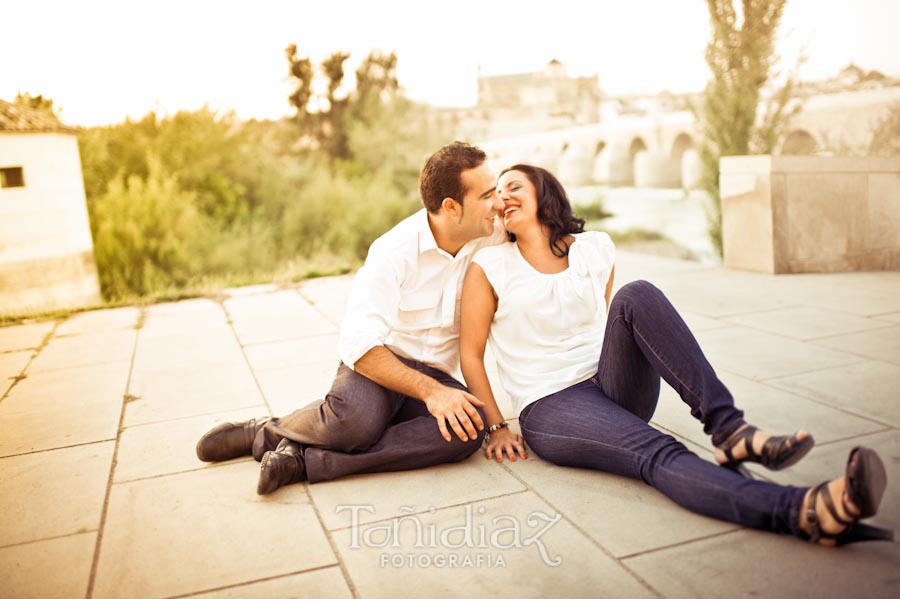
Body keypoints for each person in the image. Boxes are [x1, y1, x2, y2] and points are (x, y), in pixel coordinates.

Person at [459, 163, 892, 546]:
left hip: (610, 383)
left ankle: (731, 429)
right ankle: (805, 510)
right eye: (496, 192)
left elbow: (612, 323)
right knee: (659, 452)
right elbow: (471, 354)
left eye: (512, 185)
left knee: (636, 295)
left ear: (543, 193)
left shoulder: (594, 248)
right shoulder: (491, 266)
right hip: (553, 403)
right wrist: (497, 426)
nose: (501, 196)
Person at [195, 141, 507, 494]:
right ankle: (268, 431)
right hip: (381, 365)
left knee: (467, 430)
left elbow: (545, 224)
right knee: (355, 424)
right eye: (486, 196)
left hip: (436, 372)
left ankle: (303, 458)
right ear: (451, 207)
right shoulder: (393, 251)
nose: (497, 203)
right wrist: (432, 392)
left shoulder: (491, 233)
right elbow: (359, 345)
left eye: (496, 191)